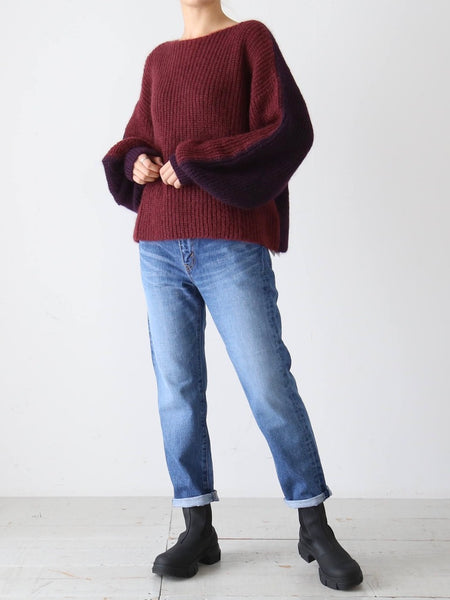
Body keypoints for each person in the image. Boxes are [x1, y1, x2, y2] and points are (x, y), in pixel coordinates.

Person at [102, 0, 363, 591]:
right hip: (159, 243)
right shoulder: (160, 59)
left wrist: (195, 159)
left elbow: (288, 130)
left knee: (267, 381)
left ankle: (313, 524)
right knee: (176, 389)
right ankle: (197, 526)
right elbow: (139, 136)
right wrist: (138, 160)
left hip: (230, 241)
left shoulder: (250, 39)